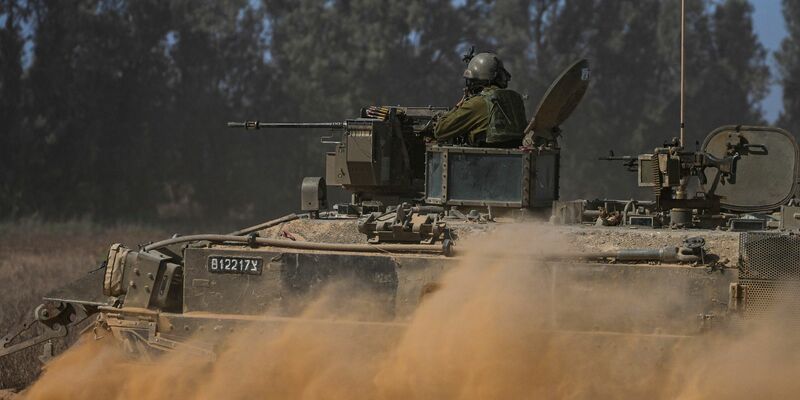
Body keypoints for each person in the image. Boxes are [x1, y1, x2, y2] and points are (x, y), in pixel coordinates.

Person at [434, 52, 528, 147]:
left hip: (482, 155)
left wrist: (457, 107)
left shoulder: (477, 103)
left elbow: (440, 131)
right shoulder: (516, 99)